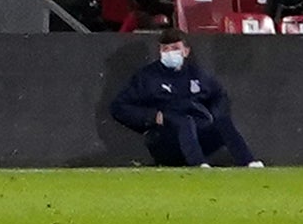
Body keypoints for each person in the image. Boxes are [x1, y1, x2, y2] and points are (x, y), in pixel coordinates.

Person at [107, 26, 260, 166]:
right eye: (165, 49)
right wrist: (153, 116)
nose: (169, 53)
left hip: (197, 134)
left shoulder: (198, 75)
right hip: (164, 139)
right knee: (184, 121)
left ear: (186, 51)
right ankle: (198, 165)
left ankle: (249, 162)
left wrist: (215, 114)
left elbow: (219, 95)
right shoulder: (147, 77)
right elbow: (119, 107)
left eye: (175, 48)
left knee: (222, 122)